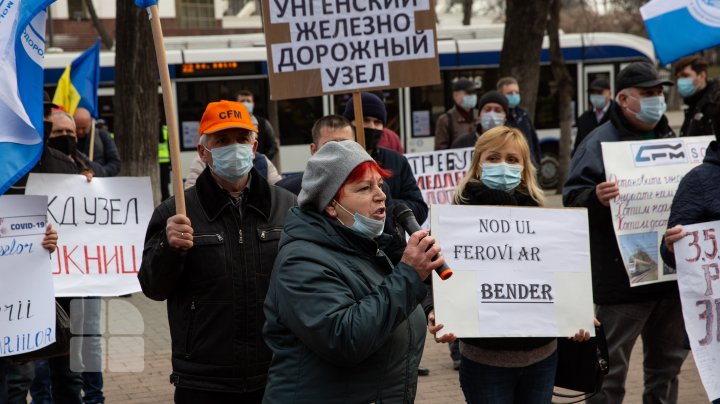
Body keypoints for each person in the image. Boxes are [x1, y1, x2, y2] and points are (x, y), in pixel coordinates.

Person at [138, 100, 296, 403]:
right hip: (204, 380)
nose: (233, 148)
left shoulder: (287, 206)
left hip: (275, 374)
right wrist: (168, 249)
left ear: (254, 146)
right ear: (203, 152)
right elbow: (153, 287)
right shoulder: (175, 212)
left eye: (241, 139)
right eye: (222, 140)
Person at [262, 140, 445, 402]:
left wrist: (427, 311)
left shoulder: (366, 248)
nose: (381, 195)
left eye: (380, 185)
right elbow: (345, 338)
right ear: (331, 205)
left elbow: (384, 309)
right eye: (364, 188)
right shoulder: (300, 261)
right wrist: (408, 274)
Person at [564, 62, 687, 404]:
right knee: (608, 372)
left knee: (666, 370)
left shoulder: (670, 139)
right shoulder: (598, 142)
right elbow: (572, 199)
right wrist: (595, 197)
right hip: (622, 281)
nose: (657, 101)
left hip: (670, 278)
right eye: (648, 94)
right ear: (622, 99)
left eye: (660, 93)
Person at [442, 125, 591, 403]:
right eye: (493, 158)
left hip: (542, 359)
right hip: (485, 361)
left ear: (524, 169)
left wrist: (578, 313)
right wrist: (436, 311)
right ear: (477, 167)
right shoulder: (455, 222)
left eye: (512, 160)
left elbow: (561, 277)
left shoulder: (544, 221)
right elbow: (435, 278)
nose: (503, 165)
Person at [343, 92, 428, 265]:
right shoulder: (340, 165)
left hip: (393, 256)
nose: (372, 127)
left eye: (377, 122)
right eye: (365, 120)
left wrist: (385, 208)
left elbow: (419, 208)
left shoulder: (397, 161)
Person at [275, 115, 355, 195]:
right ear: (313, 150)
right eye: (330, 146)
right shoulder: (286, 191)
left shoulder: (365, 186)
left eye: (346, 144)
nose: (340, 151)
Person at [497, 77, 542, 167]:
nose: (514, 95)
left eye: (516, 93)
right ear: (501, 95)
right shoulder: (498, 117)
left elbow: (533, 140)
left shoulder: (523, 114)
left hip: (529, 166)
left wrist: (537, 164)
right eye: (510, 93)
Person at [673, 55, 720, 137]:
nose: (680, 81)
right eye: (678, 77)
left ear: (702, 76)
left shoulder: (715, 105)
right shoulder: (694, 105)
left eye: (685, 76)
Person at [73, 107, 121, 177]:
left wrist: (99, 172)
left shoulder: (103, 135)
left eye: (84, 128)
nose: (80, 131)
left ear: (90, 123)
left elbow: (115, 162)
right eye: (77, 128)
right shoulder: (69, 139)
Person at [435, 79, 479, 150]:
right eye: (468, 93)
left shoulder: (480, 115)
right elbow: (440, 151)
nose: (472, 96)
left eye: (474, 93)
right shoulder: (446, 120)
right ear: (455, 95)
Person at [237, 90, 279, 160]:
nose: (245, 103)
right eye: (242, 101)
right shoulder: (233, 123)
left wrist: (263, 160)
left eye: (248, 101)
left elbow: (273, 147)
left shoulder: (263, 123)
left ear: (253, 104)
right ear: (237, 103)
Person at [574, 78, 613, 152]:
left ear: (609, 94)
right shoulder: (584, 119)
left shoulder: (619, 115)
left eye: (599, 92)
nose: (596, 96)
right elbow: (578, 147)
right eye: (593, 93)